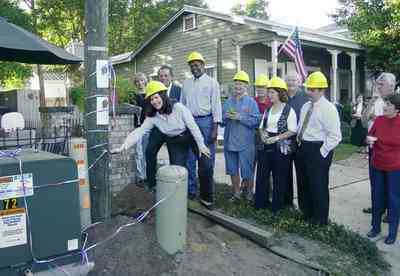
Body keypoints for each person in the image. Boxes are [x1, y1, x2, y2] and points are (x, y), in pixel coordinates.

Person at [111, 81, 211, 192]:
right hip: (174, 141)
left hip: (190, 135)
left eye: (156, 97)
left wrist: (201, 145)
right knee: (176, 172)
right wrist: (123, 146)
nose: (154, 101)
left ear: (163, 96)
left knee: (206, 164)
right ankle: (179, 197)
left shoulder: (178, 107)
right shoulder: (153, 117)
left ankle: (206, 198)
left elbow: (193, 126)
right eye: (151, 99)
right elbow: (139, 132)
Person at [296, 71, 342, 225]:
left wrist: (321, 153)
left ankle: (320, 219)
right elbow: (300, 127)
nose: (308, 92)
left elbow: (335, 136)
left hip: (319, 149)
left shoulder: (329, 109)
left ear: (322, 90)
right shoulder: (305, 106)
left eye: (312, 89)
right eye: (307, 88)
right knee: (303, 183)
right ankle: (306, 213)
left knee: (318, 185)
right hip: (304, 147)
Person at [181, 51, 222, 209]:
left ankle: (206, 197)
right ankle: (191, 191)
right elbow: (181, 106)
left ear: (203, 65)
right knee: (189, 159)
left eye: (197, 65)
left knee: (206, 161)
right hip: (189, 124)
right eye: (192, 66)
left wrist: (215, 128)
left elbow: (216, 105)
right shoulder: (186, 84)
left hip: (206, 122)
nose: (194, 68)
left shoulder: (212, 83)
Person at [254, 77, 297, 212]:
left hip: (281, 147)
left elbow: (292, 130)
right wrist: (262, 134)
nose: (269, 95)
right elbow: (261, 127)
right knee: (262, 175)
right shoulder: (268, 109)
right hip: (266, 145)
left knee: (279, 177)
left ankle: (277, 207)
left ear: (280, 93)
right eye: (269, 92)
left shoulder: (289, 110)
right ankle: (261, 204)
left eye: (272, 92)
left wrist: (277, 138)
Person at [366, 94, 400, 245]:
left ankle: (392, 233)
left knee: (394, 200)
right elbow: (369, 136)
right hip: (377, 164)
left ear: (397, 108)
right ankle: (375, 227)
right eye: (385, 103)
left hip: (395, 167)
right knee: (376, 196)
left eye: (389, 104)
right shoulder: (379, 120)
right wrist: (368, 140)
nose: (385, 106)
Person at [361, 72, 396, 216]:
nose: (378, 87)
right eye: (378, 84)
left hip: (389, 149)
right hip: (373, 146)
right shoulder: (376, 101)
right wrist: (370, 103)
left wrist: (375, 117)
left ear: (391, 86)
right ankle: (378, 206)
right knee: (375, 179)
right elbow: (363, 121)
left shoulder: (395, 101)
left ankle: (391, 211)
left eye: (382, 84)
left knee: (391, 182)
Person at [222, 71, 260, 201]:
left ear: (246, 86)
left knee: (247, 170)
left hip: (246, 143)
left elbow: (256, 121)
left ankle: (249, 193)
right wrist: (225, 117)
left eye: (241, 84)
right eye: (236, 84)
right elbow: (222, 122)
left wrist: (240, 117)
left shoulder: (251, 102)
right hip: (229, 141)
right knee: (232, 169)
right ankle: (236, 193)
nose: (238, 86)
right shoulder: (228, 102)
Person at [285, 72, 309, 208]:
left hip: (301, 142)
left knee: (301, 174)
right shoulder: (282, 97)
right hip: (286, 141)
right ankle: (288, 203)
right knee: (285, 172)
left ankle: (303, 205)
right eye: (288, 80)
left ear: (299, 82)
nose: (291, 83)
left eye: (294, 80)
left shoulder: (306, 96)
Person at [130, 72, 148, 186]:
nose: (140, 83)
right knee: (138, 152)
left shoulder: (150, 94)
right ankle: (140, 176)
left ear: (145, 81)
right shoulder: (132, 95)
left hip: (148, 127)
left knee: (147, 152)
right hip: (136, 127)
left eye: (141, 80)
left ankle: (148, 175)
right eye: (137, 81)